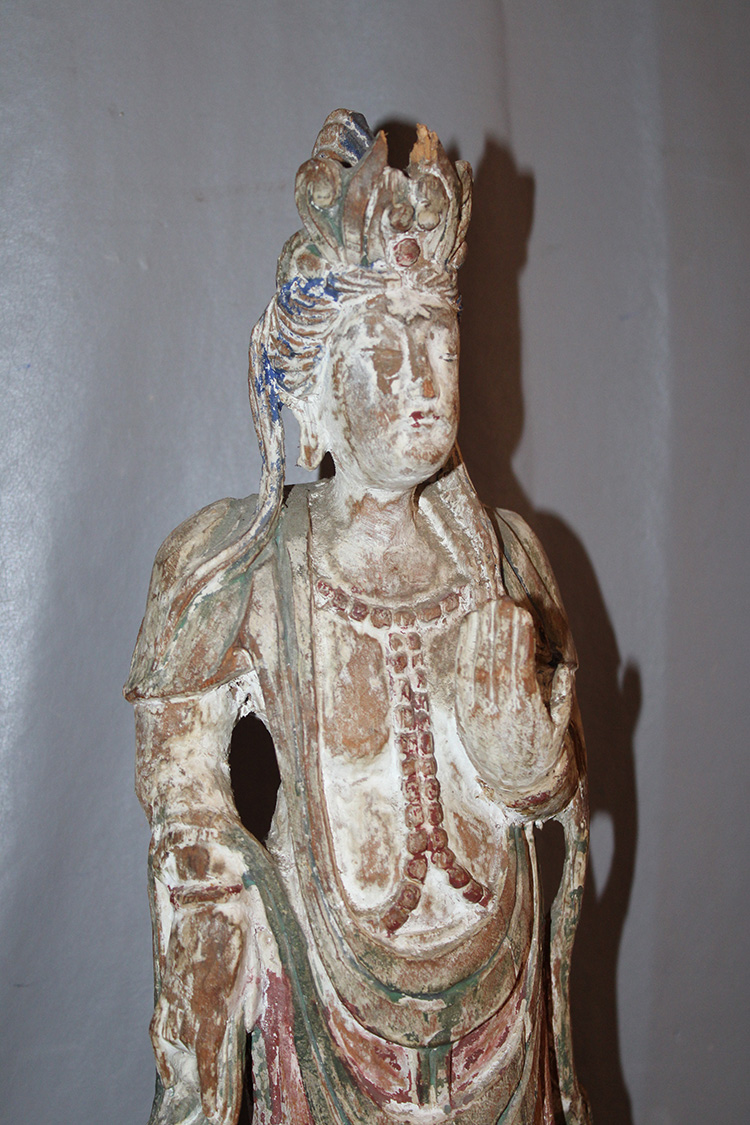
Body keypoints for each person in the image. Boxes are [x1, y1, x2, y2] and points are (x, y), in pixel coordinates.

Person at [126, 110, 591, 1125]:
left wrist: (529, 766)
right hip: (322, 1007)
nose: (422, 378)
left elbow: (559, 789)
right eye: (384, 342)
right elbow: (185, 815)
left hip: (502, 1009)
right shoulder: (234, 569)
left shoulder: (509, 561)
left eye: (439, 337)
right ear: (315, 386)